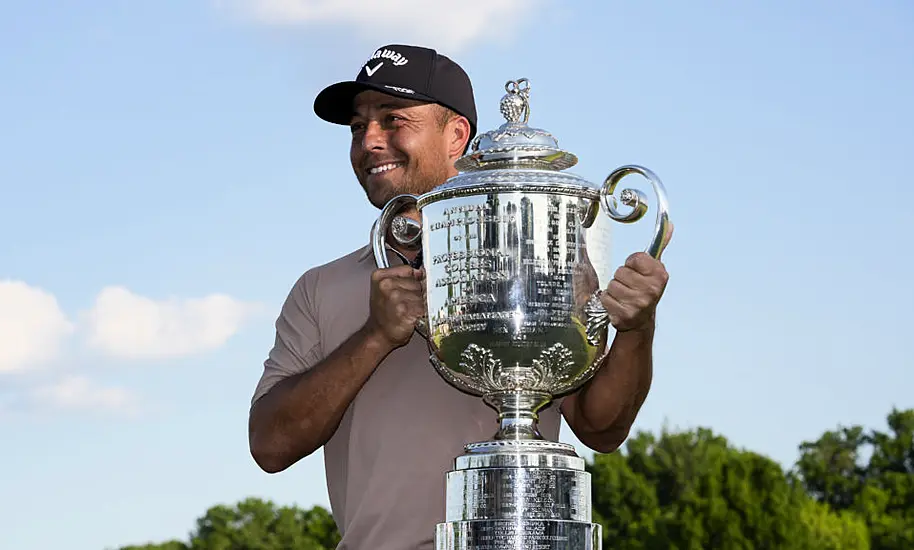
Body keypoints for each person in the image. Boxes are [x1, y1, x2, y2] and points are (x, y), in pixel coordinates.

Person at [248, 44, 670, 550]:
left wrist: (637, 327)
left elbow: (601, 428)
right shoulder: (320, 288)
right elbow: (270, 446)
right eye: (358, 127)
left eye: (392, 119)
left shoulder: (539, 256)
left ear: (457, 136)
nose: (369, 141)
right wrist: (375, 336)